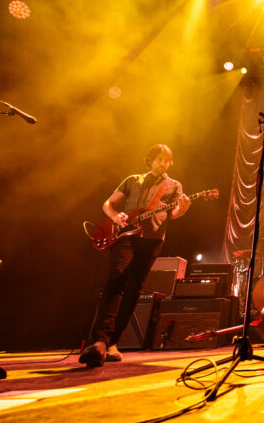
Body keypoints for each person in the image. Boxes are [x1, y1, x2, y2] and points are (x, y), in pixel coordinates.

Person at [80, 144, 191, 367]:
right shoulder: (133, 180)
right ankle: (99, 341)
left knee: (134, 289)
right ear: (149, 161)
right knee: (116, 278)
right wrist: (115, 216)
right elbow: (108, 203)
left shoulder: (174, 186)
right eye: (159, 159)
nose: (164, 163)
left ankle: (112, 342)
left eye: (167, 160)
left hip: (152, 240)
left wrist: (185, 207)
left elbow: (175, 214)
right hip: (125, 236)